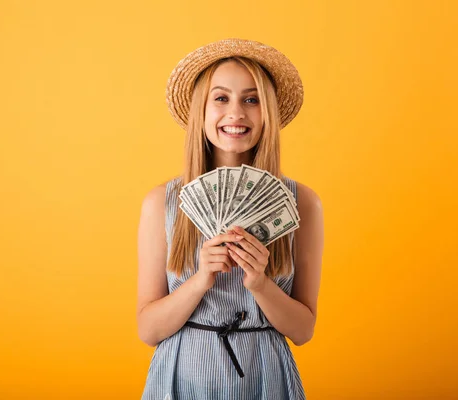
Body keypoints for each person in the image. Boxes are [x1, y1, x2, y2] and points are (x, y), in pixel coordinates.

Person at [137, 38, 324, 400]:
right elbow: (148, 330)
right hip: (182, 375)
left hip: (265, 375)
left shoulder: (304, 204)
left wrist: (260, 284)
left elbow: (303, 331)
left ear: (267, 111)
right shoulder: (162, 202)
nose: (236, 113)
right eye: (221, 98)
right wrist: (200, 279)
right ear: (200, 112)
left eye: (251, 99)